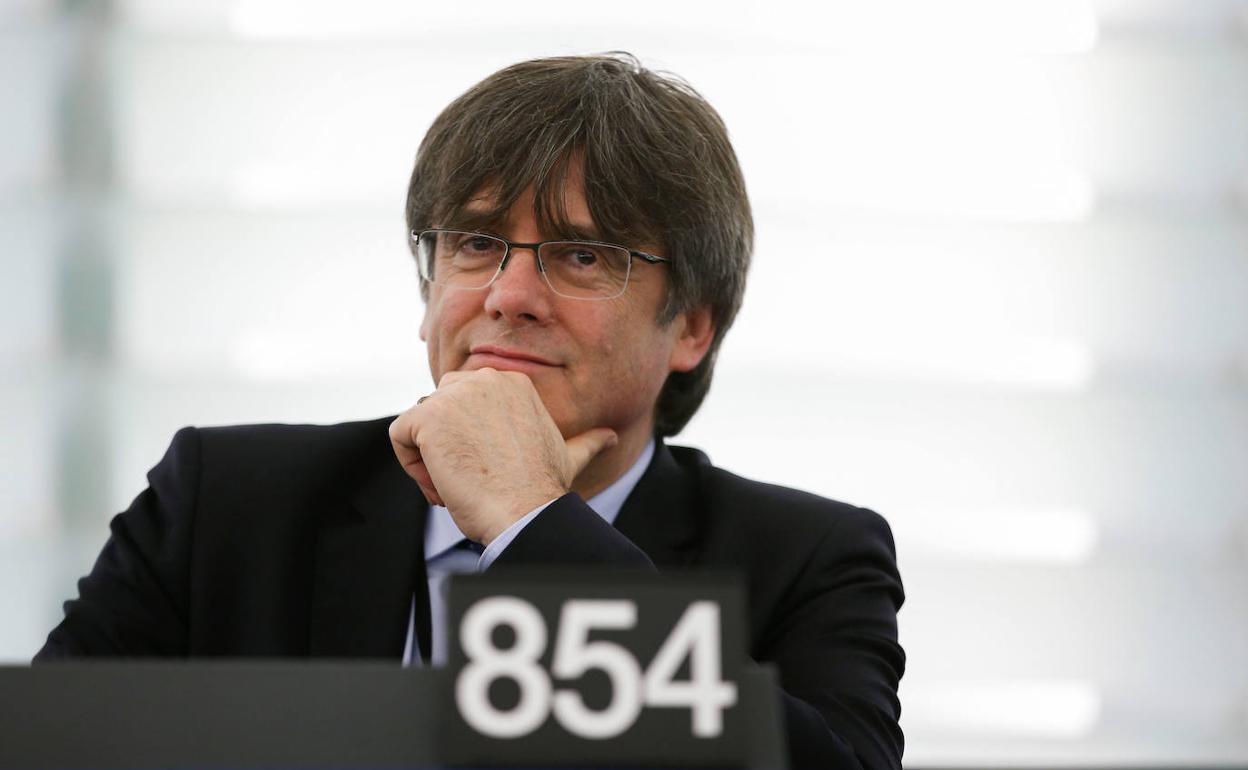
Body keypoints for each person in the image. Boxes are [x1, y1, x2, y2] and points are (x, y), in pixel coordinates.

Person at [36, 53, 906, 769]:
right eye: (477, 243)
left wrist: (532, 525)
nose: (508, 294)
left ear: (692, 326)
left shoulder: (809, 558)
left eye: (583, 254)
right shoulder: (222, 501)